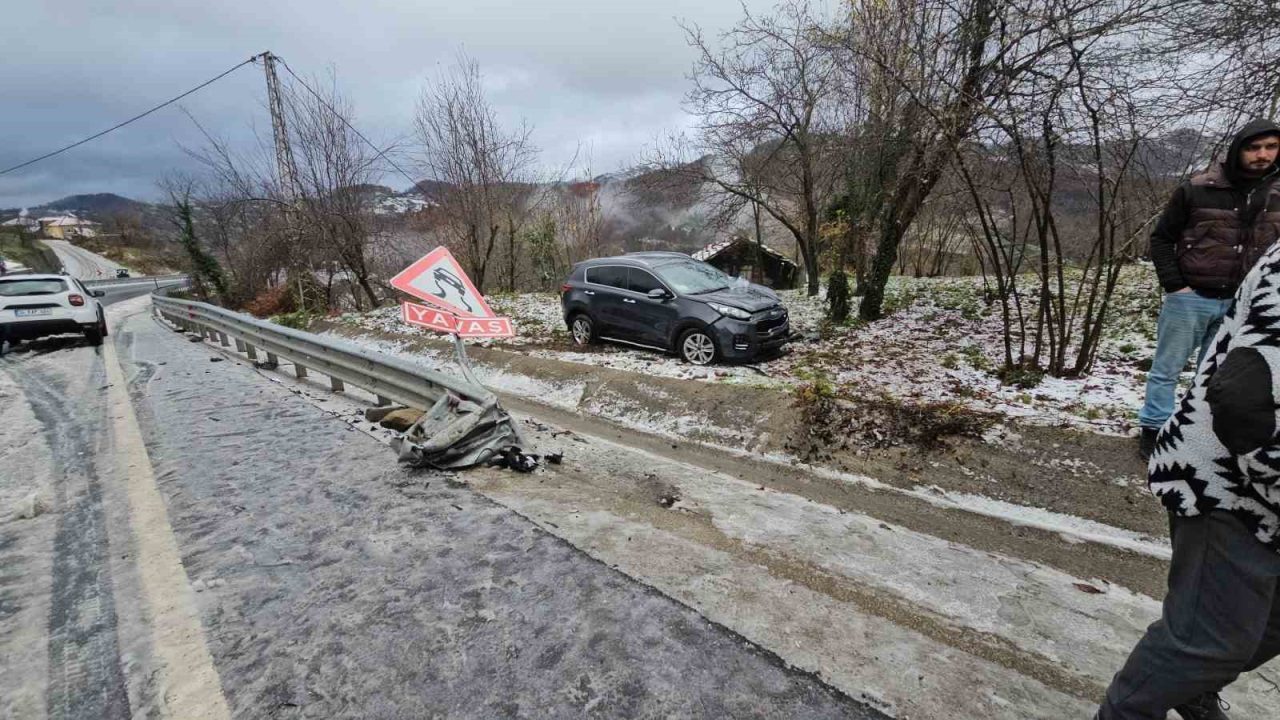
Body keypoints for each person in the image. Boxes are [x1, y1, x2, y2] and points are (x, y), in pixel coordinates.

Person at [1098, 239, 1280, 718]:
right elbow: (1249, 404)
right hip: (1229, 485)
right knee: (1203, 643)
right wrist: (1177, 285)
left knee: (1260, 627)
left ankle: (1189, 686)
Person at [1138, 119, 1280, 459]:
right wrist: (1176, 286)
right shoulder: (1198, 188)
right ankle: (1153, 430)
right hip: (1191, 298)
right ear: (1238, 150)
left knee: (1214, 376)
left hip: (1241, 304)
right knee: (1167, 369)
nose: (1262, 155)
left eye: (1271, 147)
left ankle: (1194, 434)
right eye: (1253, 147)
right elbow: (1161, 238)